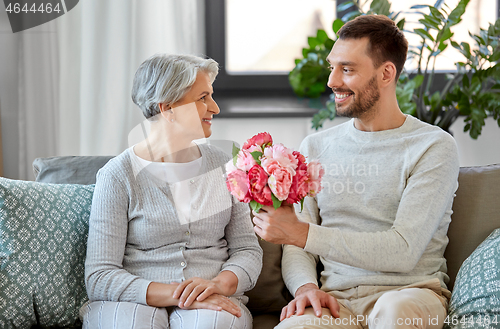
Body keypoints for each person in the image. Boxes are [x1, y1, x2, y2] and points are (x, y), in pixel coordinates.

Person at [252, 15, 459, 329]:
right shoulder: (315, 147)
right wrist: (306, 287)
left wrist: (302, 234)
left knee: (395, 314)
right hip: (337, 302)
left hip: (410, 294)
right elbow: (298, 244)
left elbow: (403, 251)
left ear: (386, 73)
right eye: (332, 67)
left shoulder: (433, 146)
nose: (332, 81)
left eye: (347, 69)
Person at [81, 54, 263, 329]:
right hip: (132, 301)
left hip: (215, 300)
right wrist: (180, 295)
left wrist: (216, 286)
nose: (214, 107)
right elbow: (100, 275)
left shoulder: (227, 164)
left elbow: (247, 250)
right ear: (168, 108)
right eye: (203, 98)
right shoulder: (117, 176)